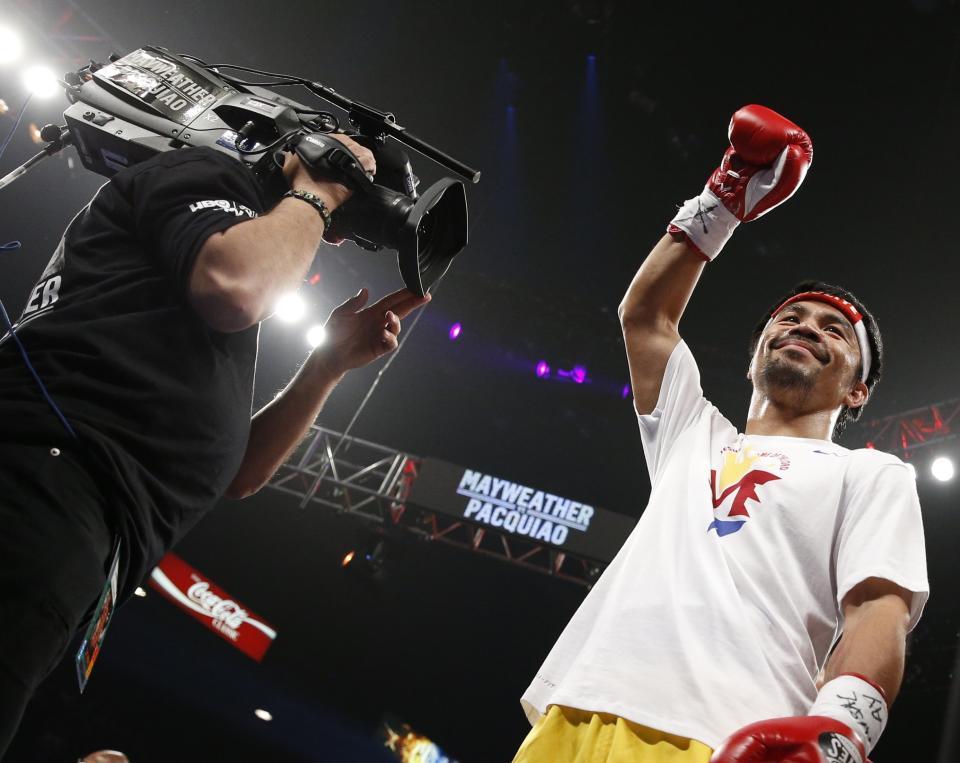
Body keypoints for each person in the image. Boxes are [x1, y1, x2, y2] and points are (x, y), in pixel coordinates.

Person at [513, 105, 928, 763]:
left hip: (725, 735)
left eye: (834, 328)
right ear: (754, 351)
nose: (806, 326)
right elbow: (646, 317)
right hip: (572, 711)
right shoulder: (694, 434)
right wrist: (725, 197)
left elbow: (879, 609)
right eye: (791, 316)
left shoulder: (872, 474)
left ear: (859, 390)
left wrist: (839, 731)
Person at [0, 133, 430, 755]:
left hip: (80, 526)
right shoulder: (206, 174)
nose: (334, 235)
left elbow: (241, 472)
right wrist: (314, 194)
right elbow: (235, 286)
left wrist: (326, 367)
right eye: (344, 212)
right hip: (42, 484)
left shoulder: (213, 279)